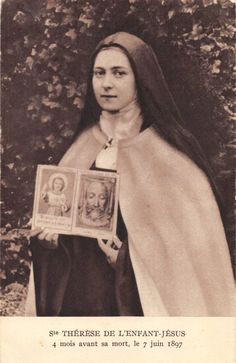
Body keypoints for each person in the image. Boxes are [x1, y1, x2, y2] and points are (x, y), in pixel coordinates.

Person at [28, 32, 235, 317]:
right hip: (81, 308)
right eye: (99, 73)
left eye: (119, 73)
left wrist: (124, 262)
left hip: (137, 314)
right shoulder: (82, 145)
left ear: (141, 79)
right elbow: (60, 243)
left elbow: (188, 262)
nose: (107, 83)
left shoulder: (172, 159)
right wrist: (48, 242)